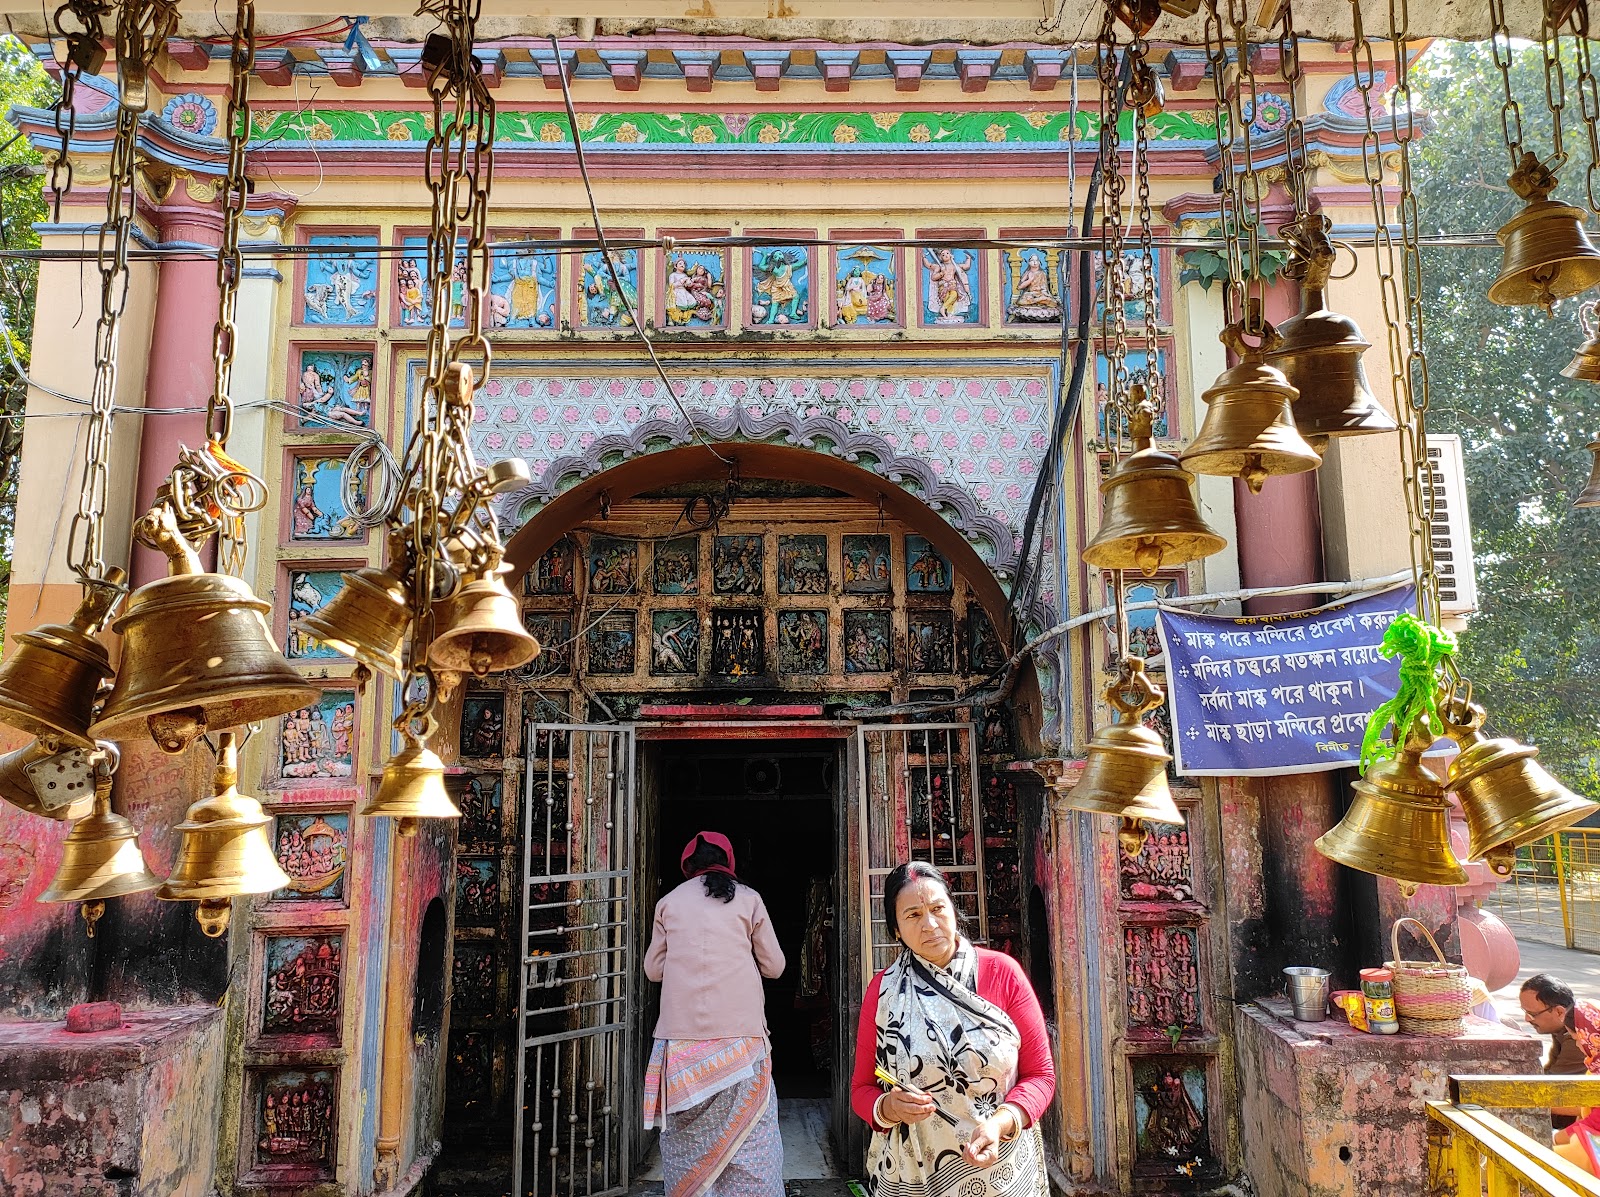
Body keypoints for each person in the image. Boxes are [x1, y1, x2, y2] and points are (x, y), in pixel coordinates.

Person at [851, 860, 1055, 1195]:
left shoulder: (1003, 974)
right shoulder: (883, 992)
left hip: (1002, 1169)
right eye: (913, 915)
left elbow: (1041, 1075)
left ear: (953, 912)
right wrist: (889, 1107)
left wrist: (1001, 1122)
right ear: (896, 930)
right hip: (915, 1177)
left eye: (937, 908)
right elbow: (861, 1089)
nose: (929, 924)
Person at [643, 832, 786, 1197]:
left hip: (682, 1046)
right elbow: (775, 967)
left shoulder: (669, 903)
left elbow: (653, 971)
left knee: (687, 1140)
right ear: (730, 861)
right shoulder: (749, 899)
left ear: (687, 867)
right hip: (743, 1042)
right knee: (751, 1137)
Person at [1519, 973, 1594, 1136]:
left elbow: (1551, 1090)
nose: (1526, 1019)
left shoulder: (1580, 1041)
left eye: (1532, 1014)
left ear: (1560, 1012)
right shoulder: (1564, 1032)